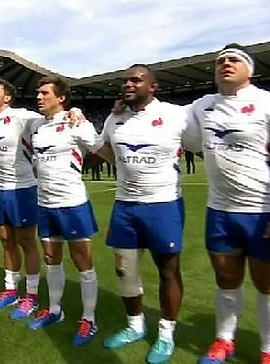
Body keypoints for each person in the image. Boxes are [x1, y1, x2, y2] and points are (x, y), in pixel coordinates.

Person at [189, 44, 270, 364]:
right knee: (226, 280)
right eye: (220, 61)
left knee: (267, 284)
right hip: (220, 212)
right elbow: (162, 115)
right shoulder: (202, 106)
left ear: (249, 70)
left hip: (263, 212)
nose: (226, 64)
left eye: (234, 60)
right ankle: (224, 340)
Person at [97, 64, 193, 364]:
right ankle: (135, 326)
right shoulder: (115, 119)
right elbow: (108, 152)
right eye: (125, 79)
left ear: (152, 86)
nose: (128, 84)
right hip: (125, 205)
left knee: (168, 270)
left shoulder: (177, 115)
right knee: (125, 269)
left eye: (136, 80)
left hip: (163, 204)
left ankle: (166, 333)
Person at [25, 76, 103, 347]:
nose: (39, 97)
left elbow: (100, 147)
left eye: (45, 93)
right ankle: (56, 310)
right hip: (45, 203)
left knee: (82, 260)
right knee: (51, 258)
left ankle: (89, 319)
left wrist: (78, 112)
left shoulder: (76, 123)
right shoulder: (35, 126)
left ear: (61, 98)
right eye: (38, 92)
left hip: (72, 203)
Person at [0, 78, 45, 319]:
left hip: (24, 188)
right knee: (6, 240)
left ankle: (32, 296)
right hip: (1, 190)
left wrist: (74, 112)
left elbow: (51, 118)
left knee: (26, 242)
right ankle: (10, 290)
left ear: (7, 97)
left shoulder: (21, 116)